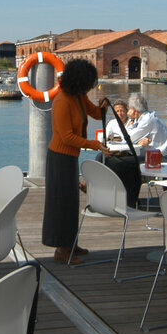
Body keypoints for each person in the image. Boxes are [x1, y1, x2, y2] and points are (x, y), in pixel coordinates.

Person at [44, 59, 112, 264]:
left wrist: (103, 108)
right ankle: (62, 250)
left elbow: (94, 113)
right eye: (89, 82)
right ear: (79, 80)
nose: (90, 87)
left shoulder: (78, 96)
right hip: (59, 157)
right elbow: (66, 137)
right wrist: (95, 145)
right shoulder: (62, 101)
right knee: (61, 203)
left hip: (70, 156)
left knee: (71, 202)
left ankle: (70, 244)